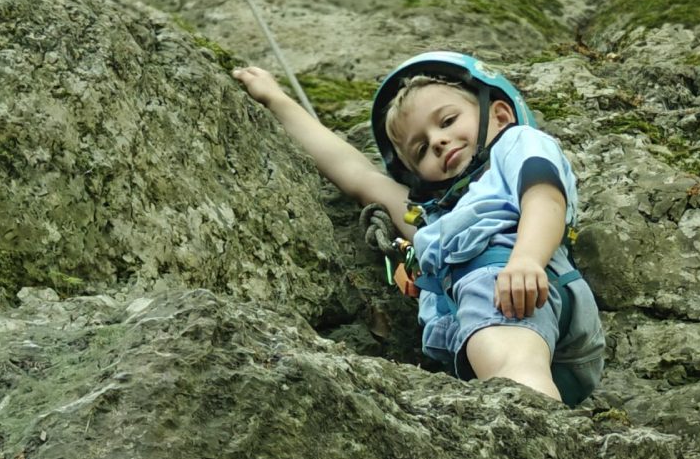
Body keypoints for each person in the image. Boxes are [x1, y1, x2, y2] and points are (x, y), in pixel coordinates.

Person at [234, 50, 603, 405]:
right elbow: (356, 173)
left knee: (516, 377)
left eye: (447, 121)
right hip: (538, 325)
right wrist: (276, 99)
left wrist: (526, 259)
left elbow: (544, 197)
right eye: (421, 150)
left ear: (501, 115)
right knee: (519, 376)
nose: (438, 141)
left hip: (509, 284)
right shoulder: (434, 218)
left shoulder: (516, 144)